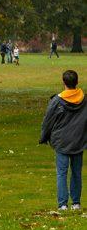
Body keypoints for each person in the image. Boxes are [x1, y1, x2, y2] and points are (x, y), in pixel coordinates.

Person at [39, 70, 85, 211]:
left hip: (61, 141)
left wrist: (44, 137)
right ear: (76, 82)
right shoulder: (84, 99)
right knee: (76, 172)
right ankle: (76, 203)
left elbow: (48, 121)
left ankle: (63, 204)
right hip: (78, 140)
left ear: (64, 82)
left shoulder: (57, 101)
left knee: (62, 173)